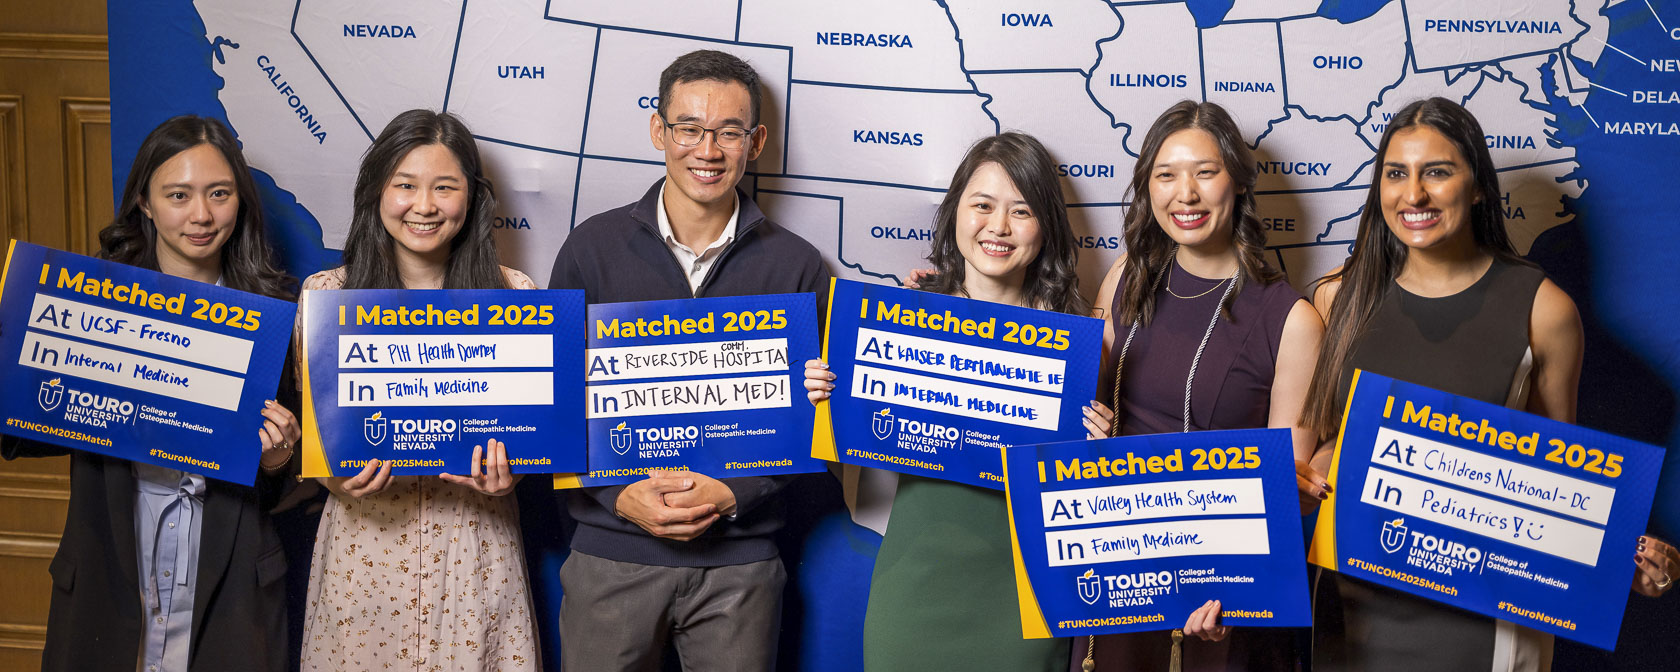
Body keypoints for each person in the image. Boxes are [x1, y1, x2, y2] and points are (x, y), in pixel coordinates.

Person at [1302, 96, 1678, 672]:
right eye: (1396, 174)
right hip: (1351, 610)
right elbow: (1317, 446)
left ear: (1478, 187)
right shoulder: (1339, 296)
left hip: (1486, 621)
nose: (1414, 195)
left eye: (1438, 172)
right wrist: (1322, 464)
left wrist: (1625, 559)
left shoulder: (1544, 309)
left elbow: (1561, 477)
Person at [546, 49, 829, 671]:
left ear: (755, 142)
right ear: (658, 131)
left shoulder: (799, 266)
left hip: (741, 564)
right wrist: (619, 496)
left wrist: (734, 495)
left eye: (729, 131)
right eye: (689, 129)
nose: (708, 149)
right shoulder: (591, 248)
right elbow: (553, 401)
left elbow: (813, 418)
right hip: (609, 556)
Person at [1, 115, 301, 671]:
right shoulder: (92, 302)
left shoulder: (274, 316)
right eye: (178, 195)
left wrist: (281, 455)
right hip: (110, 572)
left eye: (219, 193)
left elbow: (292, 477)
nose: (202, 215)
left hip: (229, 584)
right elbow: (22, 427)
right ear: (144, 200)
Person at [804, 131, 1110, 671]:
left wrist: (1099, 452)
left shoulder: (1081, 341)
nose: (998, 227)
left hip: (1023, 596)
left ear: (1046, 227)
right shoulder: (899, 314)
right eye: (983, 205)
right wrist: (825, 396)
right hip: (913, 583)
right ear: (955, 213)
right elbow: (854, 461)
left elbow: (1090, 507)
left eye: (1022, 211)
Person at [1070, 100, 1327, 672]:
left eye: (1204, 172)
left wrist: (1233, 598)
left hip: (1215, 602)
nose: (1185, 193)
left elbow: (1282, 492)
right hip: (1114, 573)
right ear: (1148, 188)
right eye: (1166, 175)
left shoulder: (1292, 321)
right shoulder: (1123, 277)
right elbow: (1076, 403)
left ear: (1236, 181)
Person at [296, 109, 539, 670]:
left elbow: (530, 438)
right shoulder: (324, 298)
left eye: (444, 188)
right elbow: (305, 443)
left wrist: (511, 474)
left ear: (471, 198)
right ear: (377, 191)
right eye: (405, 185)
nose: (424, 206)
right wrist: (329, 471)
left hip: (477, 557)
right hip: (364, 563)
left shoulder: (516, 294)